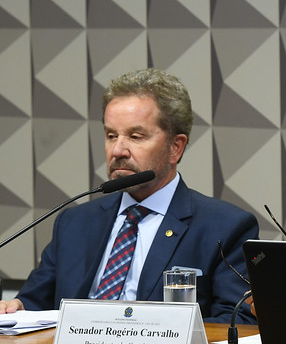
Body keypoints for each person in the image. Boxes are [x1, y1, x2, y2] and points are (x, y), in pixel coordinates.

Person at [0, 68, 258, 324]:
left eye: (135, 136)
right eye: (111, 135)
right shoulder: (74, 222)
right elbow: (34, 303)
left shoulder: (224, 228)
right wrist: (16, 308)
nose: (118, 149)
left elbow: (235, 323)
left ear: (175, 147)